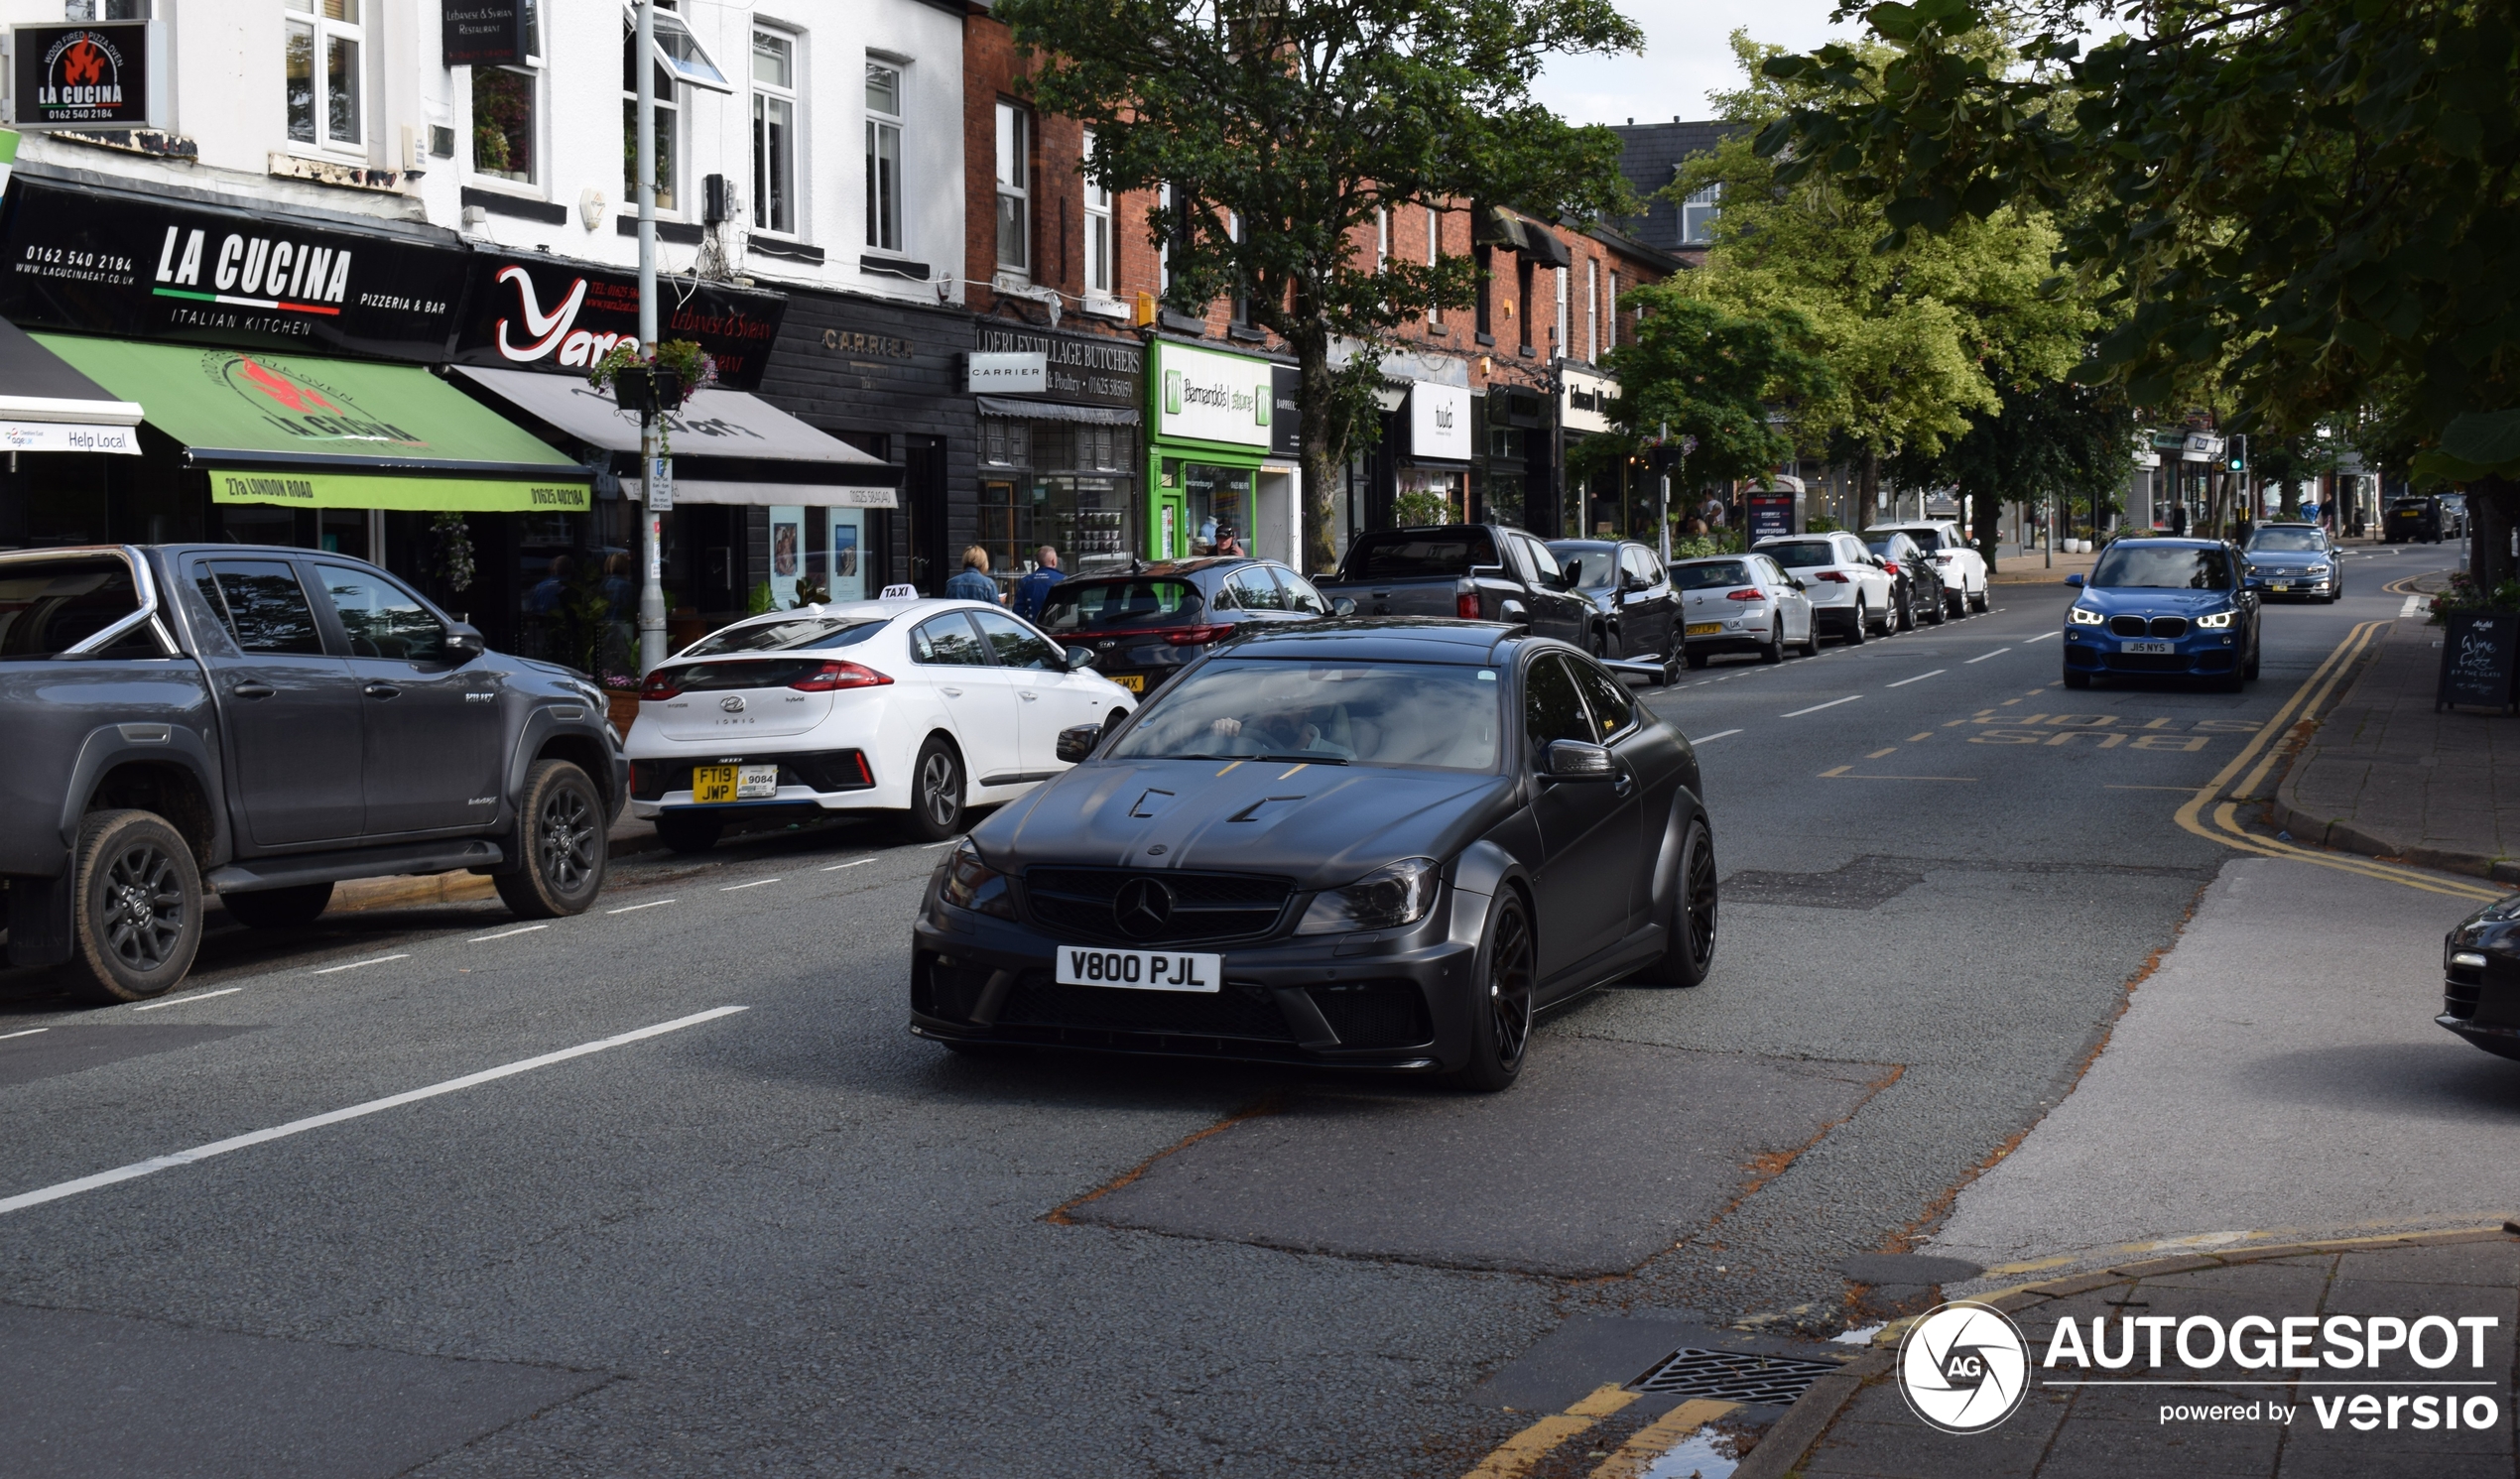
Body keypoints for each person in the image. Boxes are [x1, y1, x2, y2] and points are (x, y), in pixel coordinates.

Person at [1010, 546, 1065, 619]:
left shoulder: (1025, 581)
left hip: (1032, 628)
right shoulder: (1063, 580)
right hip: (1056, 627)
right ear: (1053, 561)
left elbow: (1018, 612)